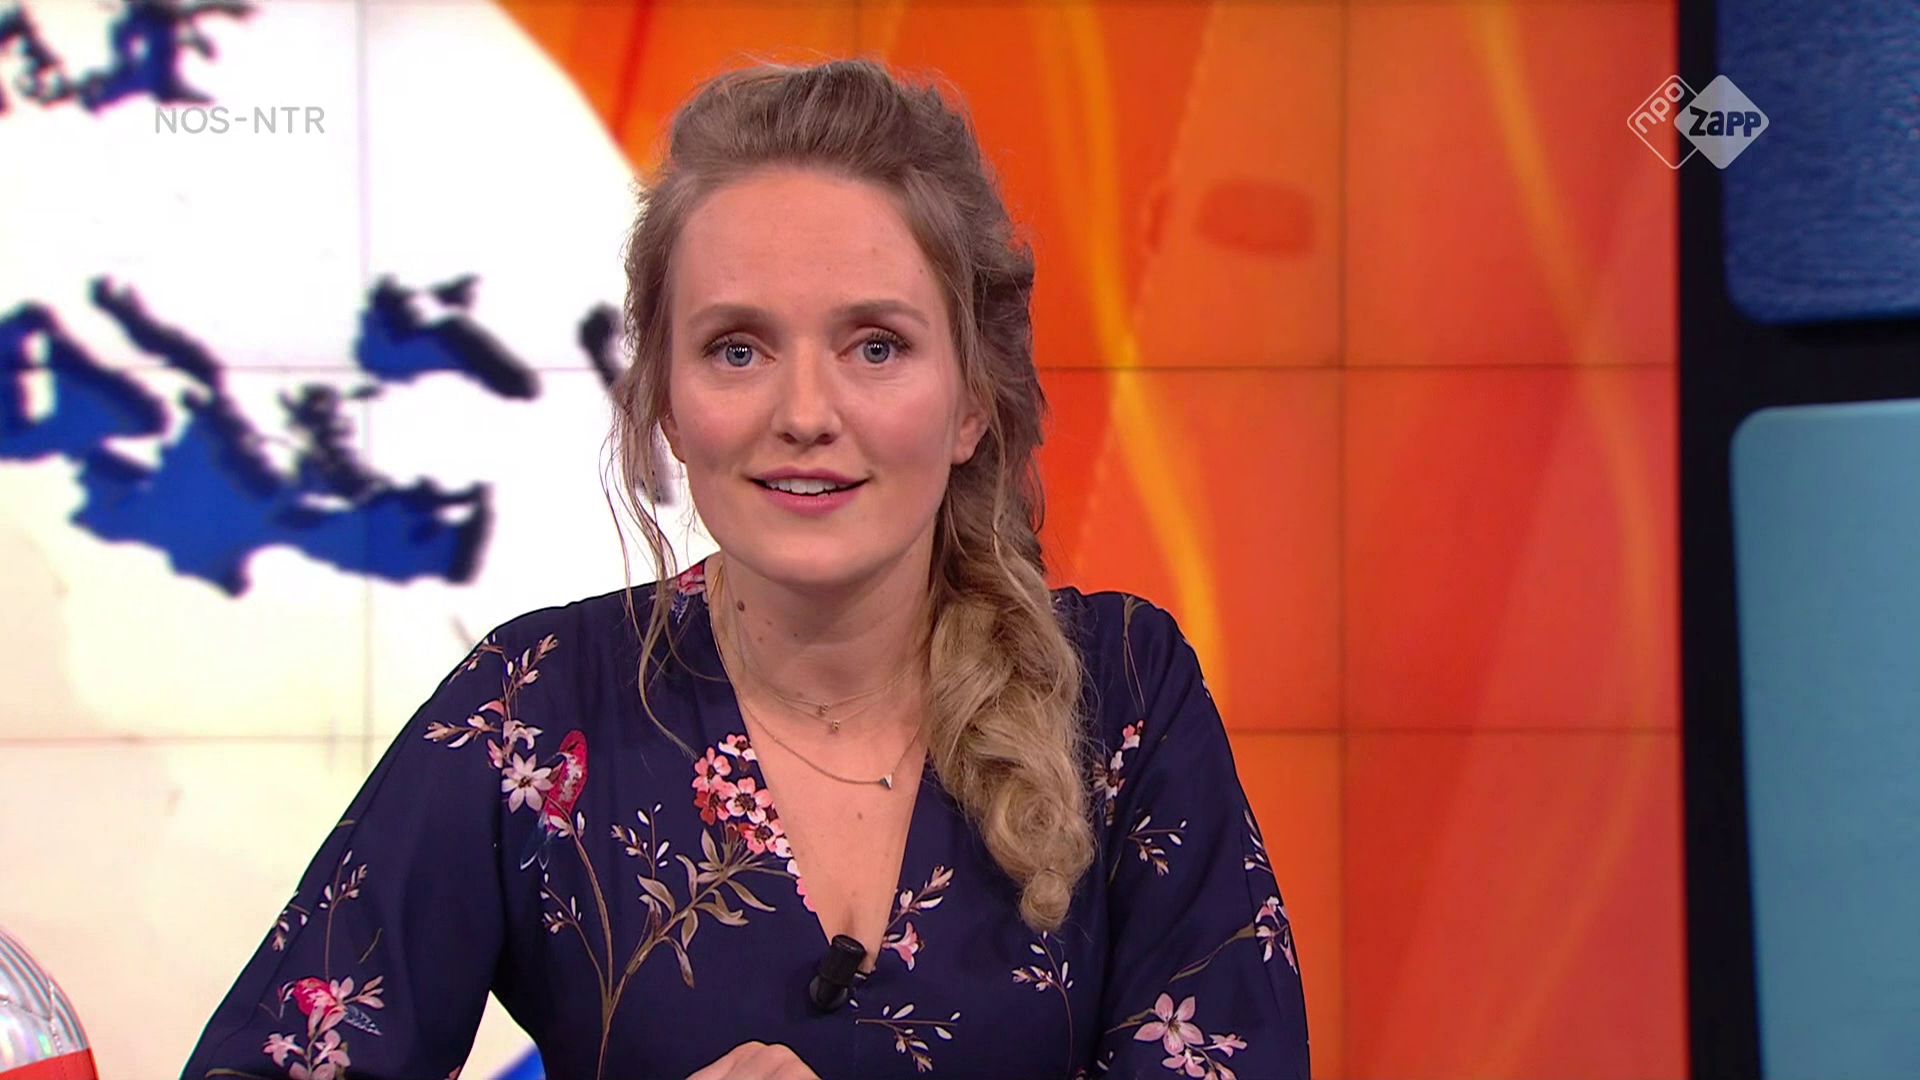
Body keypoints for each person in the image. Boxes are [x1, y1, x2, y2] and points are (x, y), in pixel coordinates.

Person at [182, 57, 1309, 1080]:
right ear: (668, 404)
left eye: (876, 345)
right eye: (738, 349)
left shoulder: (1120, 693)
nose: (805, 413)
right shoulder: (538, 705)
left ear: (972, 400)